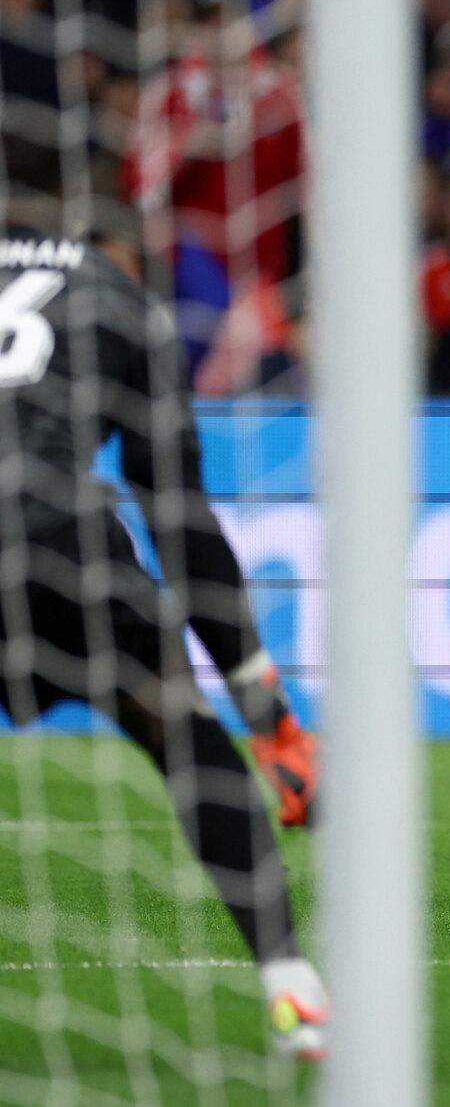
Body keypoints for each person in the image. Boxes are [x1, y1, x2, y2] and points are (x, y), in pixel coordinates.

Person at [0, 198, 327, 1057]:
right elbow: (180, 523)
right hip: (54, 545)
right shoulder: (116, 296)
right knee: (179, 722)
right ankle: (292, 983)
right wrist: (269, 714)